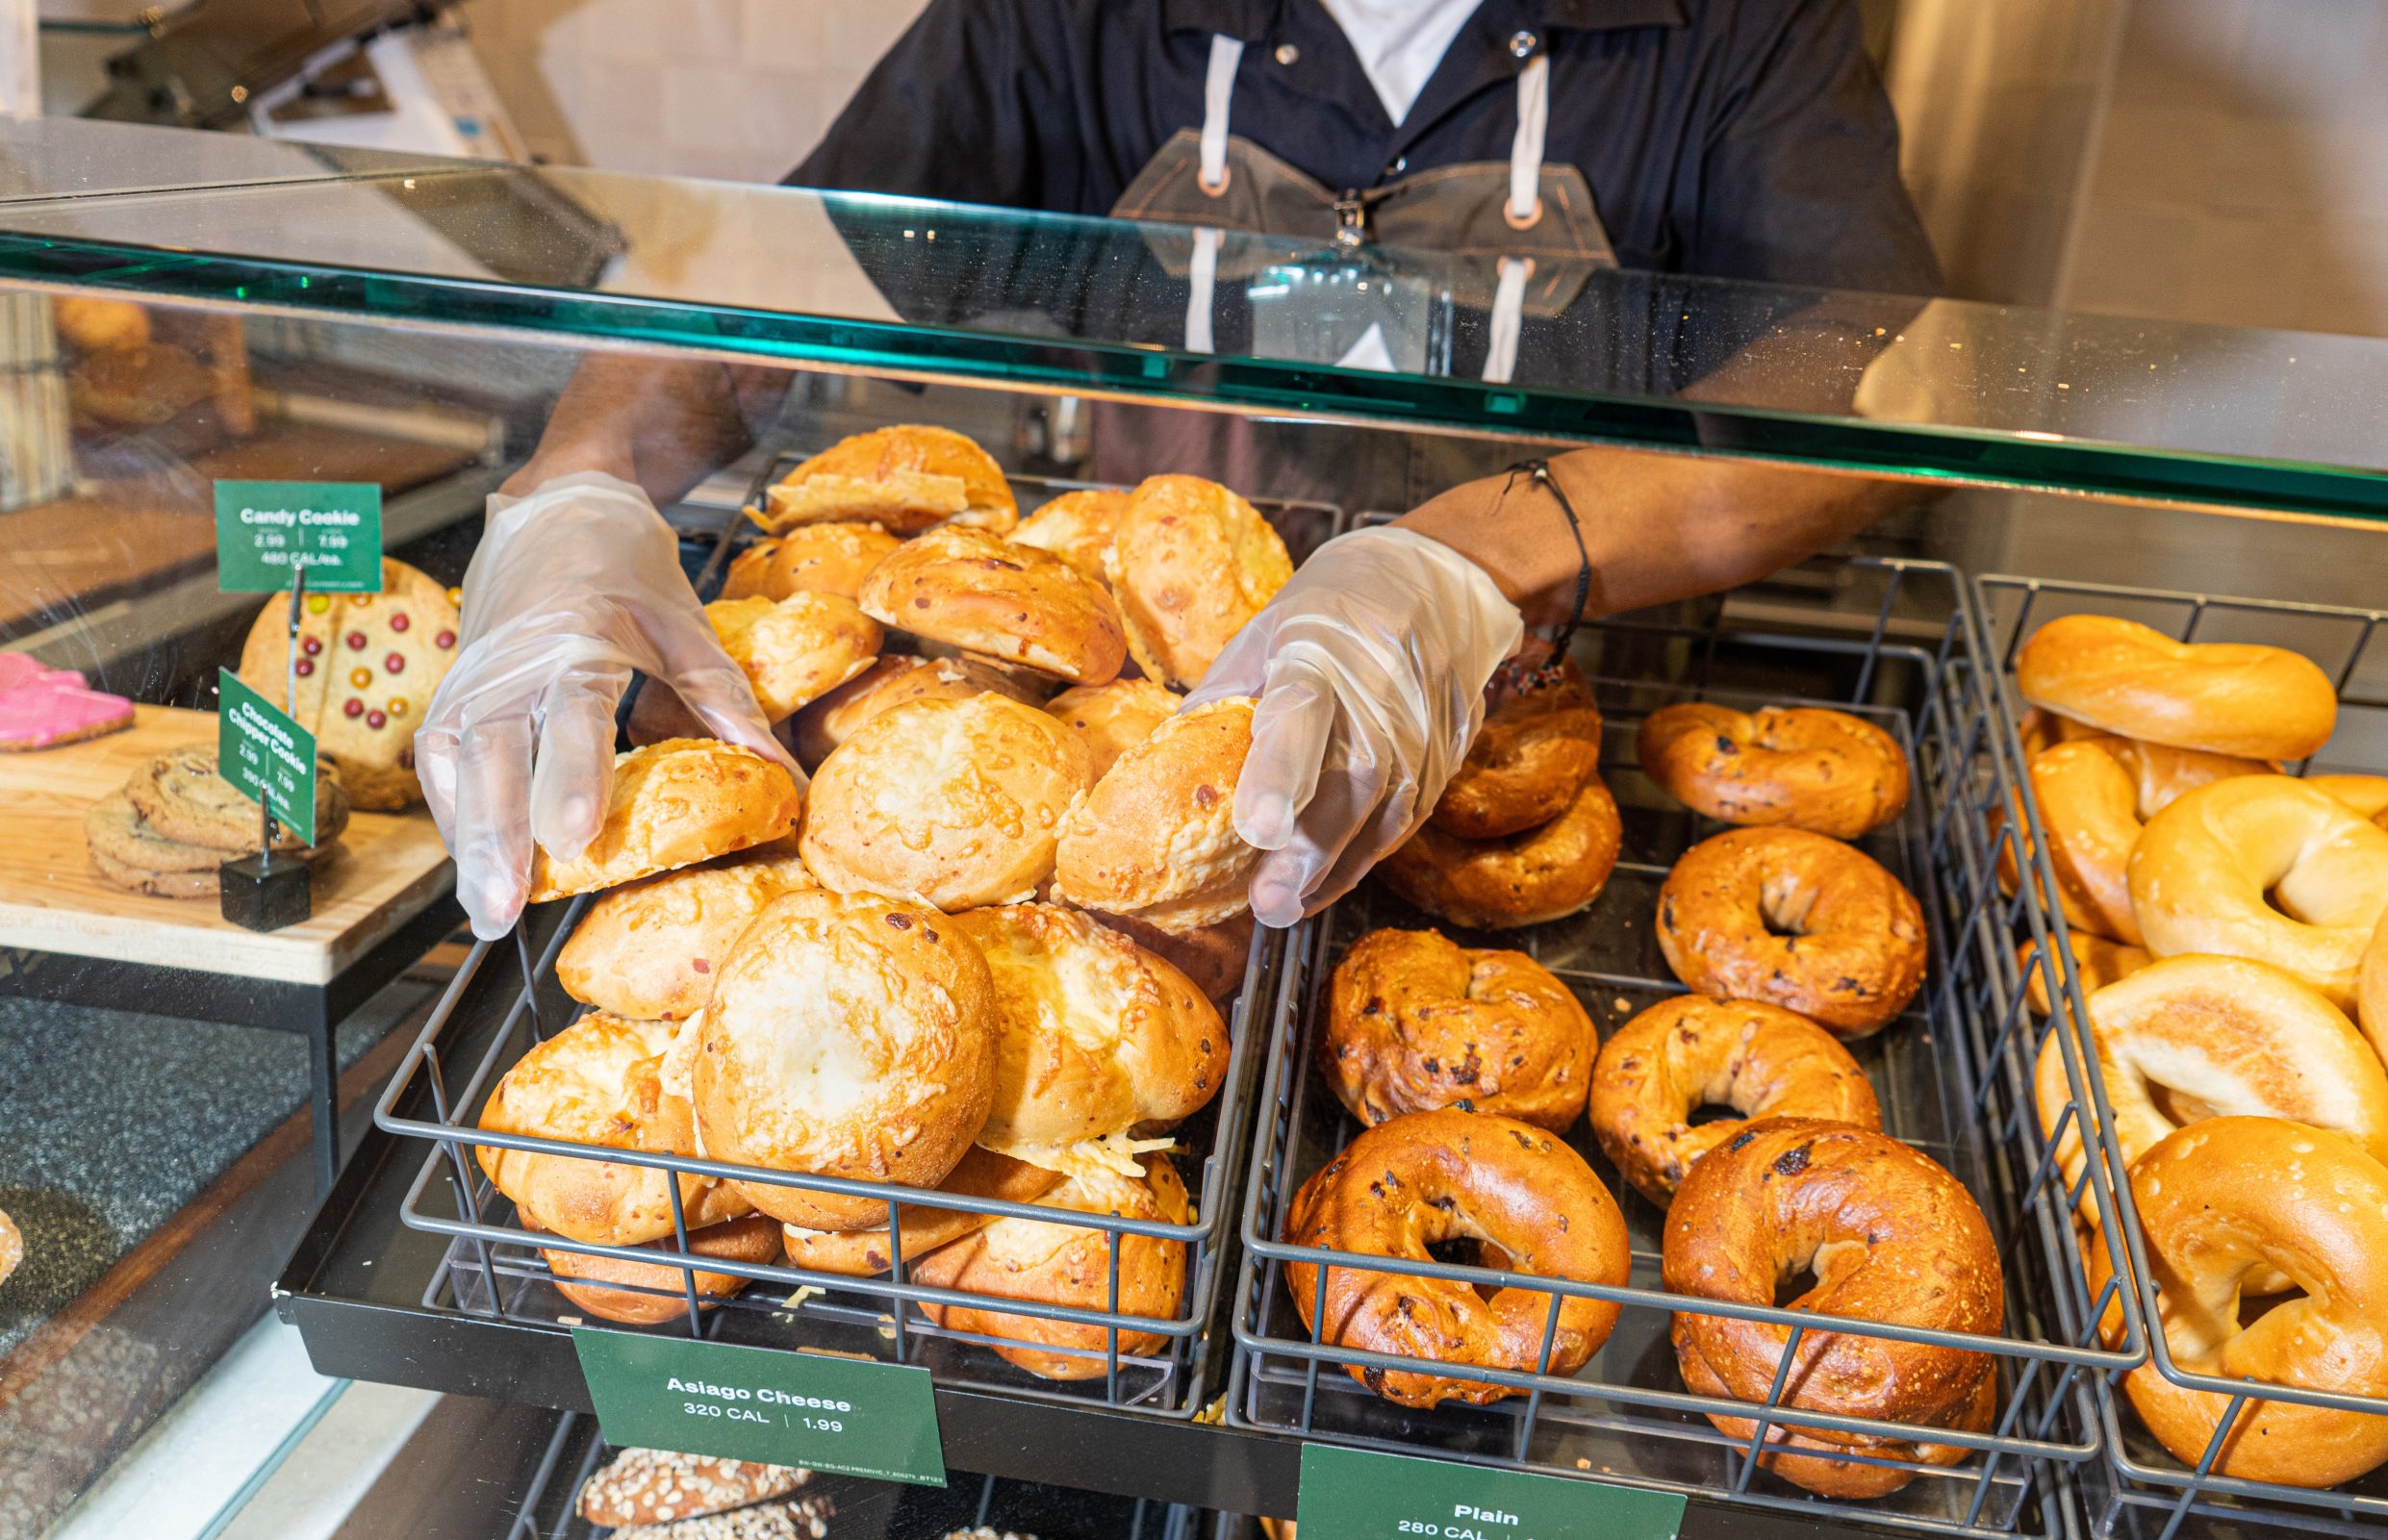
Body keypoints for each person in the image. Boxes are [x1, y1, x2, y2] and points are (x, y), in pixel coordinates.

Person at [419, 0, 1941, 938]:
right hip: (1129, 751)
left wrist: (1468, 562)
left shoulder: (1740, 23)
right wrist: (583, 489)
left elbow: (1864, 392)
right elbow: (783, 264)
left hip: (1543, 752)